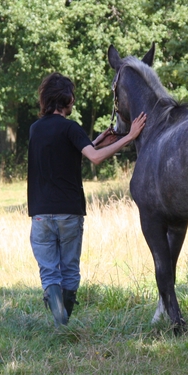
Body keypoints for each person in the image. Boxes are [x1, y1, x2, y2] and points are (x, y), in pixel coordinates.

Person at [27, 72, 146, 327]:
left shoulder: (35, 130)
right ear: (67, 99)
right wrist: (129, 137)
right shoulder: (70, 127)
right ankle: (63, 325)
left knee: (50, 272)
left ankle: (61, 325)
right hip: (69, 213)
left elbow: (65, 154)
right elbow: (94, 157)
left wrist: (97, 141)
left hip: (39, 213)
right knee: (69, 271)